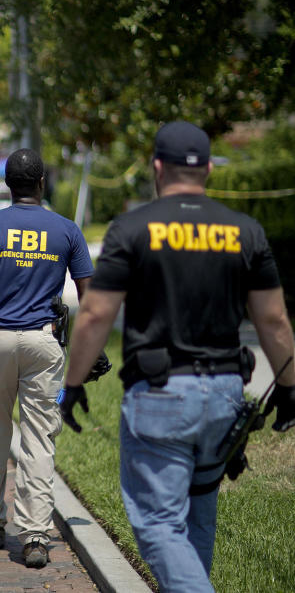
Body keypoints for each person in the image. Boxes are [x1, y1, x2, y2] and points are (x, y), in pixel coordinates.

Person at [61, 121, 295, 593]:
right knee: (198, 512)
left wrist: (72, 383)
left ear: (157, 168)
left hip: (162, 397)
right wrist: (289, 388)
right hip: (228, 395)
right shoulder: (245, 231)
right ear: (208, 168)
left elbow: (93, 316)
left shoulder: (133, 228)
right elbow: (273, 321)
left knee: (159, 525)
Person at [0, 149, 94, 568]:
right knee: (38, 439)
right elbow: (91, 296)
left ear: (8, 185)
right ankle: (34, 534)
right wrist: (94, 348)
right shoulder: (66, 229)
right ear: (42, 183)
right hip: (44, 343)